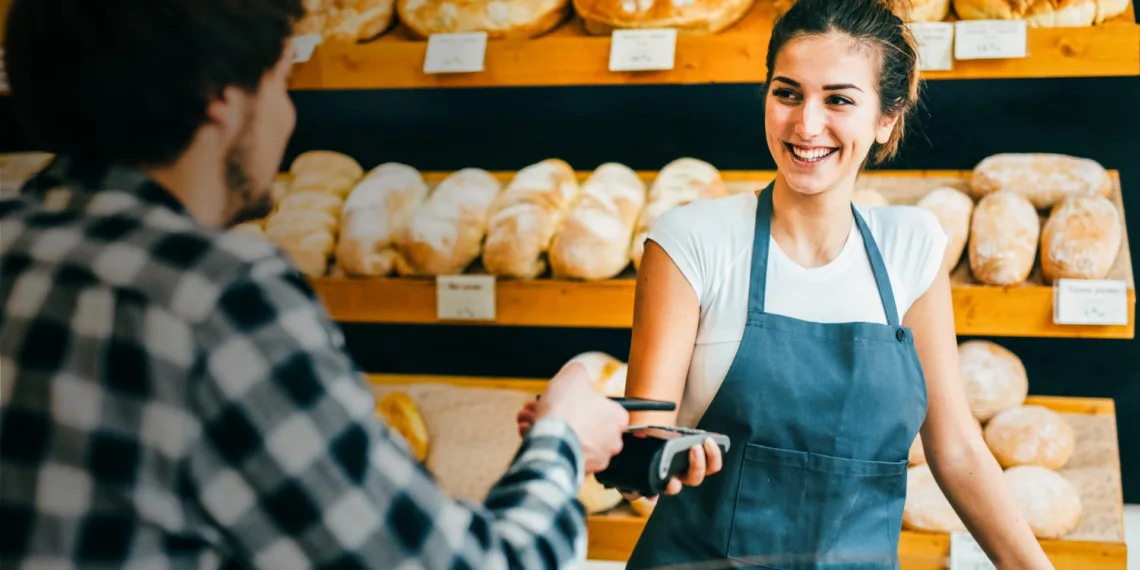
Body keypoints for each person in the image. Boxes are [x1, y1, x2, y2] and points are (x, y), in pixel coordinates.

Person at [0, 1, 631, 569]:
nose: (288, 116)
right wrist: (564, 439)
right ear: (222, 99)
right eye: (283, 83)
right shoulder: (217, 298)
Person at [616, 0, 1056, 567]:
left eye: (839, 99)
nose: (806, 124)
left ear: (886, 119)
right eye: (788, 93)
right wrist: (633, 453)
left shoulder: (911, 247)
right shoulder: (691, 241)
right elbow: (642, 449)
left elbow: (956, 450)